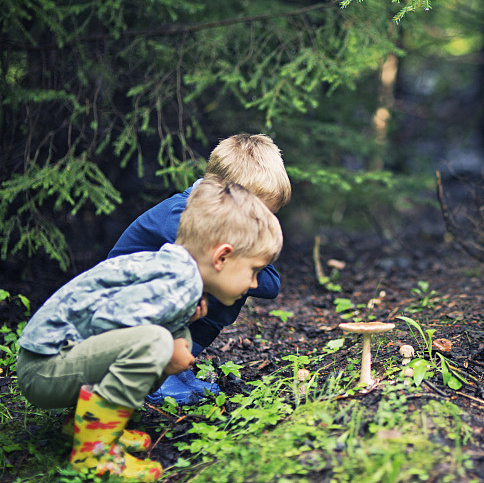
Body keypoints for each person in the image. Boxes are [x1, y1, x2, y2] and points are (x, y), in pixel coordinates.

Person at [16, 177, 283, 480]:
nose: (254, 284)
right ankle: (94, 453)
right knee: (155, 344)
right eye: (254, 271)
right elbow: (108, 325)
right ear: (221, 256)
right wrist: (168, 343)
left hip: (56, 362)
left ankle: (84, 423)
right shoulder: (175, 282)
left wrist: (179, 332)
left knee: (160, 343)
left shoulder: (177, 274)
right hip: (44, 370)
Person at [108, 134, 291, 405]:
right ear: (222, 195)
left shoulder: (221, 227)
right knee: (211, 274)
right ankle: (150, 372)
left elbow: (270, 284)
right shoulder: (180, 217)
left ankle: (173, 366)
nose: (259, 225)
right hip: (116, 314)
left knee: (229, 283)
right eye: (256, 215)